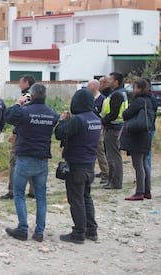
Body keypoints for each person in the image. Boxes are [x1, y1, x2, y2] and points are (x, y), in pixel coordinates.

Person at [4, 84, 58, 242]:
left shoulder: (24, 112)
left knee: (19, 194)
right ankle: (39, 232)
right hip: (42, 160)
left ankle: (22, 229)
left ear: (31, 96)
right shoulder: (52, 114)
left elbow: (8, 117)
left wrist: (18, 103)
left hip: (25, 157)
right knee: (41, 197)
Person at [55, 88, 101, 244]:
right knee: (86, 197)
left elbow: (60, 133)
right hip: (89, 164)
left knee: (76, 200)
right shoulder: (95, 118)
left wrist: (62, 120)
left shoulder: (78, 119)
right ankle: (91, 230)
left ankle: (78, 233)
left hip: (76, 164)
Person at [1, 75, 35, 200]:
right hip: (34, 134)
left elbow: (20, 116)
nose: (19, 85)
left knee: (14, 161)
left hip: (23, 134)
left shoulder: (26, 96)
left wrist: (15, 132)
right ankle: (33, 190)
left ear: (26, 82)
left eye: (20, 83)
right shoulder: (35, 95)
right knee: (32, 160)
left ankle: (13, 191)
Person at [120, 79, 154, 200]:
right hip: (146, 133)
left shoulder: (138, 101)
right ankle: (147, 190)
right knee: (144, 163)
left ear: (139, 88)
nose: (133, 90)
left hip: (137, 135)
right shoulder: (149, 100)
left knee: (138, 164)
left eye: (134, 87)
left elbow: (126, 114)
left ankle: (139, 192)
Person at [100, 72, 128, 190]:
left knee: (113, 156)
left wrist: (103, 120)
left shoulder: (117, 95)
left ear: (116, 82)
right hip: (114, 127)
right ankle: (113, 180)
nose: (108, 81)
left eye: (110, 79)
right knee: (112, 156)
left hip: (113, 128)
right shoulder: (119, 93)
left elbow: (113, 113)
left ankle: (115, 182)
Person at [87, 79, 108, 184]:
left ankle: (105, 173)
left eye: (89, 86)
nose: (87, 88)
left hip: (97, 128)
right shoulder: (88, 98)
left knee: (100, 151)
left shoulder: (103, 99)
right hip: (87, 127)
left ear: (95, 87)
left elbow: (103, 115)